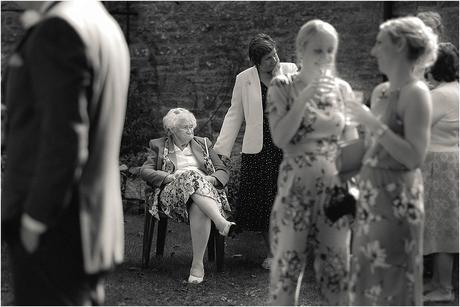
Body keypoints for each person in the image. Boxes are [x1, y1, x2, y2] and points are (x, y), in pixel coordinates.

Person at [1, 0, 130, 305]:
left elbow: (65, 142)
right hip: (92, 224)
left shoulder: (59, 28)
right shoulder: (104, 23)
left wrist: (35, 220)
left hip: (56, 230)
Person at [345, 16, 438, 305]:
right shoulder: (386, 92)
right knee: (368, 280)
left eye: (379, 43)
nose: (373, 51)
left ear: (399, 47)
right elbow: (377, 147)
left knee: (393, 284)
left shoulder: (417, 93)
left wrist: (370, 122)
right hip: (374, 200)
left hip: (397, 203)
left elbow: (413, 156)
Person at [267, 19, 358, 305]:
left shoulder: (342, 89)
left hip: (334, 190)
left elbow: (352, 142)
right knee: (287, 269)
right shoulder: (282, 86)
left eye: (330, 51)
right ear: (301, 51)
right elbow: (280, 137)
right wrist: (306, 96)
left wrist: (353, 186)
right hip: (296, 189)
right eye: (318, 50)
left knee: (337, 271)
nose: (325, 57)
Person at [213, 33, 297, 269]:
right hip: (259, 150)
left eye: (275, 54)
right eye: (268, 59)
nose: (275, 60)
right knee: (265, 202)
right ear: (256, 62)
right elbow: (234, 114)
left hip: (286, 145)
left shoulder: (290, 71)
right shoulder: (244, 79)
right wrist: (222, 150)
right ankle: (273, 254)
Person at [140, 108, 235, 284]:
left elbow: (222, 170)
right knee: (191, 175)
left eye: (192, 126)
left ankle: (197, 265)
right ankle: (221, 223)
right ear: (171, 130)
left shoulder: (203, 143)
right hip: (172, 194)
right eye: (185, 127)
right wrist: (168, 177)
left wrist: (210, 179)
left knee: (199, 203)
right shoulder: (159, 145)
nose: (191, 130)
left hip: (205, 192)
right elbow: (145, 171)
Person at [422, 42, 459, 303]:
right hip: (450, 160)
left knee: (441, 227)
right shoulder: (454, 90)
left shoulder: (439, 95)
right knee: (439, 224)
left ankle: (444, 288)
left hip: (438, 164)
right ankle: (437, 281)